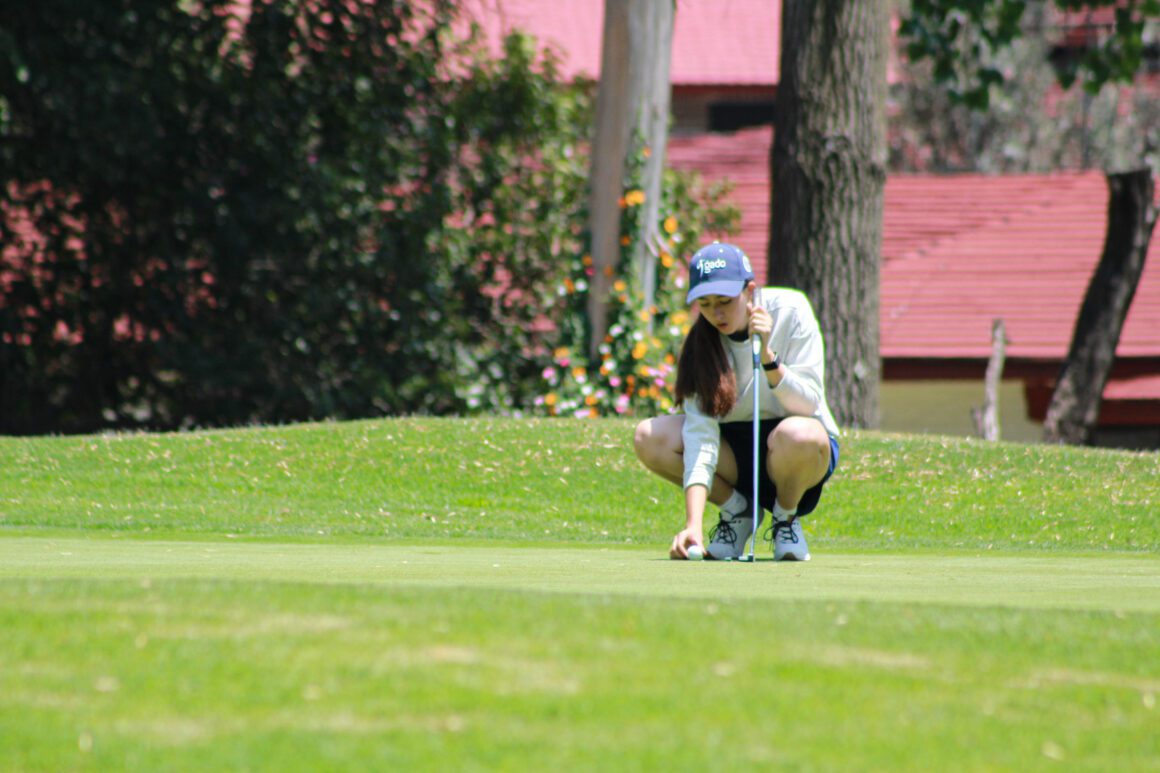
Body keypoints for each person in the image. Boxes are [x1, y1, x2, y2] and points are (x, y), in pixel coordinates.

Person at [633, 242, 841, 561]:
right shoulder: (701, 347)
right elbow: (701, 439)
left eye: (725, 301)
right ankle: (739, 513)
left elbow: (809, 404)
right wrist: (693, 525)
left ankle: (785, 518)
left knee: (797, 434)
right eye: (705, 303)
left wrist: (769, 357)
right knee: (648, 437)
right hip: (734, 450)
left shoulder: (791, 309)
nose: (716, 313)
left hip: (800, 450)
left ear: (750, 291)